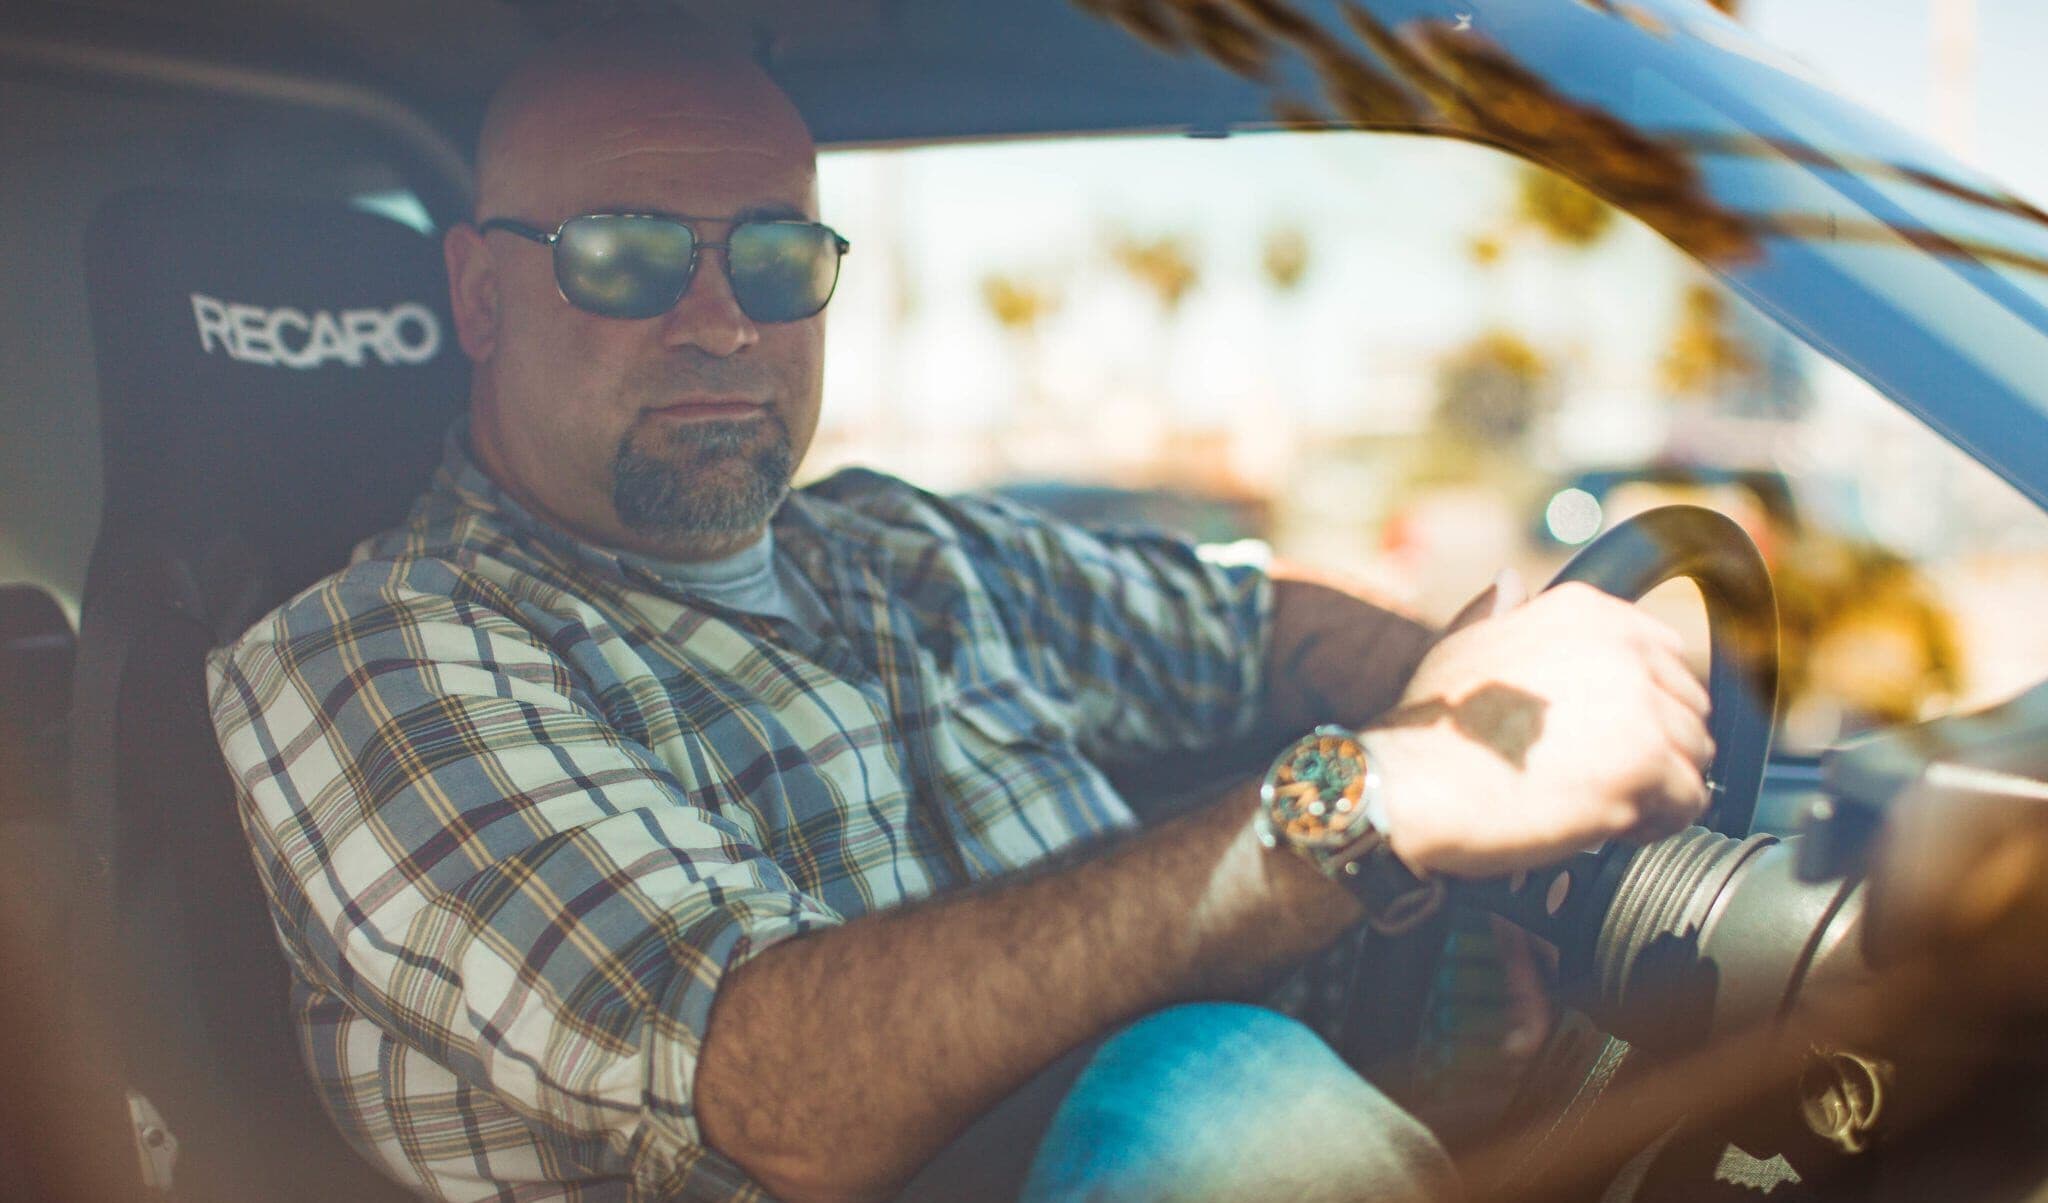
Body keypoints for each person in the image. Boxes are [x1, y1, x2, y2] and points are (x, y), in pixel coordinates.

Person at [207, 20, 1714, 1203]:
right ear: (480, 298)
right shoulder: (373, 654)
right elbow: (770, 1092)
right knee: (1219, 1103)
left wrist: (1479, 699)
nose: (724, 318)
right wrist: (1371, 796)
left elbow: (1258, 631)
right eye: (628, 253)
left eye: (780, 256)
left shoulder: (896, 548)